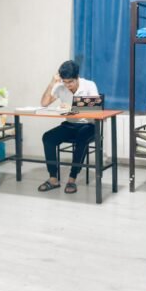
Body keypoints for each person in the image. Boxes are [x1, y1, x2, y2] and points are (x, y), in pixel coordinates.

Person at [37, 60, 99, 194]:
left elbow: (95, 108)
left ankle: (72, 178)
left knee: (82, 137)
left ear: (77, 77)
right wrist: (52, 83)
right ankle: (53, 179)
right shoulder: (61, 87)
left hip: (88, 125)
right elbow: (44, 103)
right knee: (48, 137)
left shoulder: (89, 85)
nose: (67, 85)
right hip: (70, 125)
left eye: (70, 82)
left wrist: (71, 108)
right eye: (65, 82)